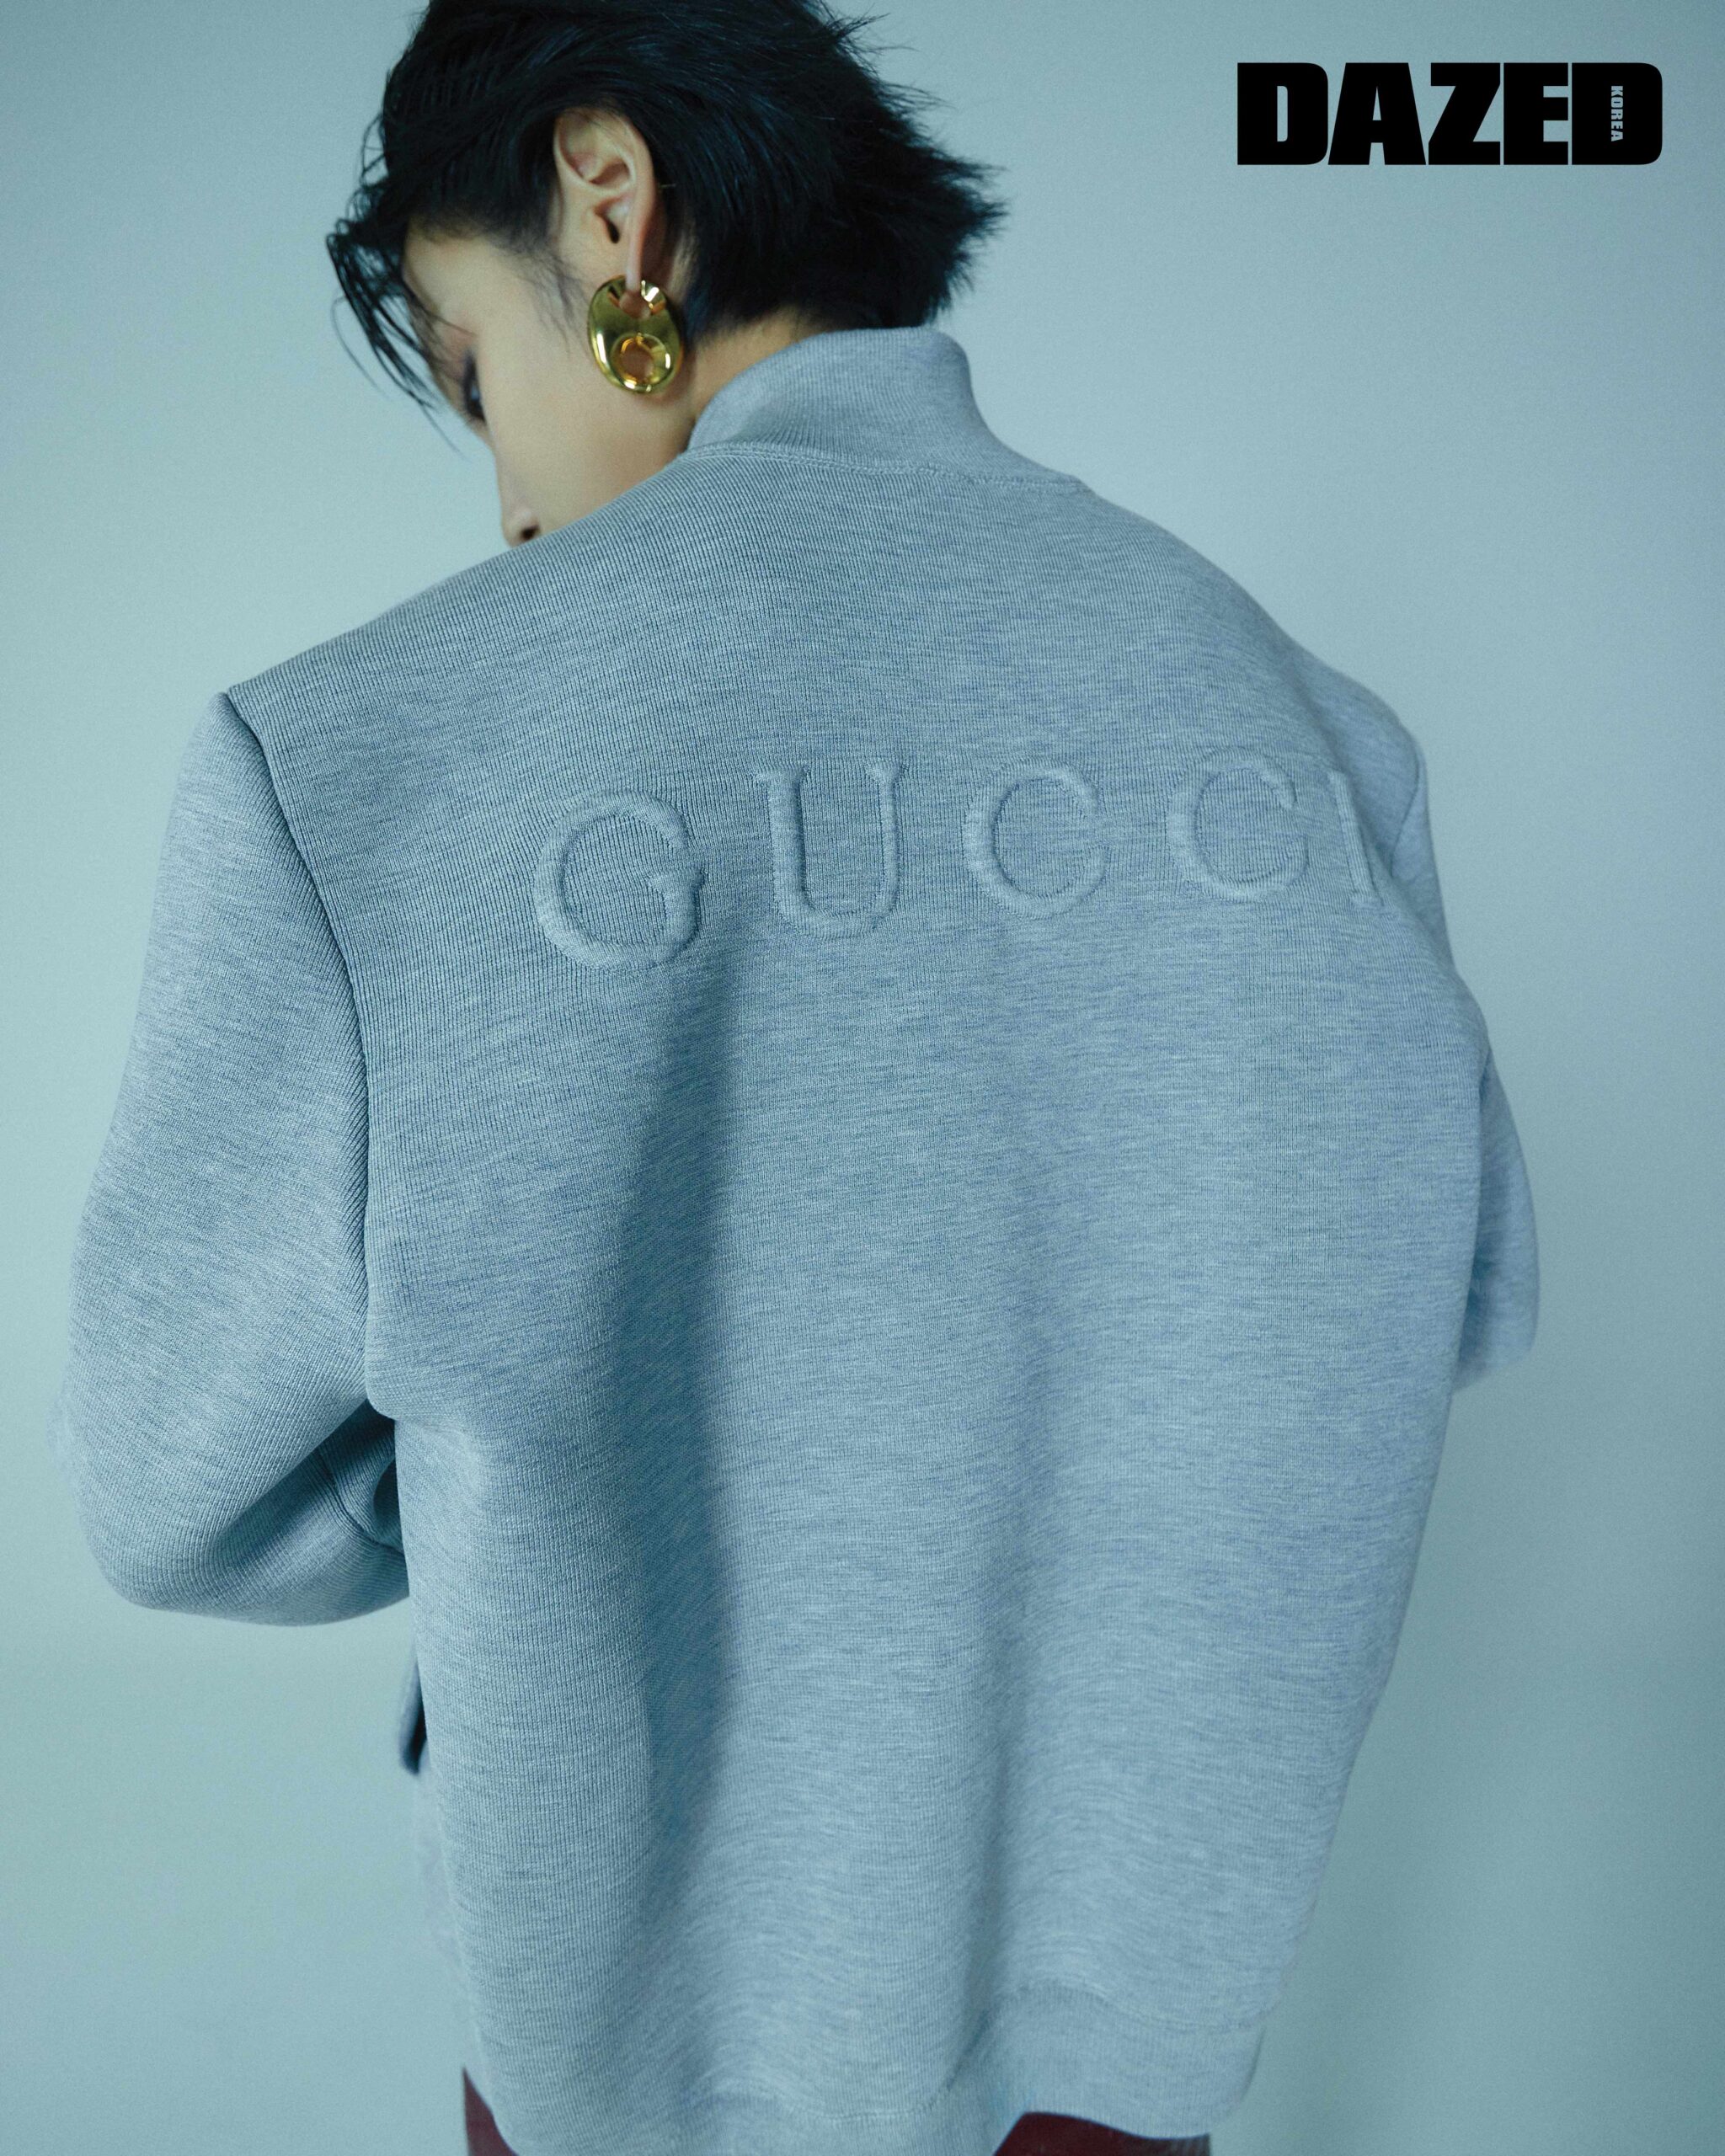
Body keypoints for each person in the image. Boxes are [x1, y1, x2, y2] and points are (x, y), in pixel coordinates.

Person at [46, 3, 1539, 2154]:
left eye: (472, 374)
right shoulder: (1319, 729)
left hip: (627, 2065)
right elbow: (1439, 1301)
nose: (509, 504)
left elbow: (170, 1495)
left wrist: (558, 1442)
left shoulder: (352, 765)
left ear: (607, 199)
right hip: (1132, 2045)